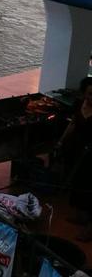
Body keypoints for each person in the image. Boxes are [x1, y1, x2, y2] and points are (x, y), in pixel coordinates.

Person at [55, 77, 92, 241]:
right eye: (89, 94)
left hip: (91, 153)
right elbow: (73, 125)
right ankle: (80, 216)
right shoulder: (79, 105)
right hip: (76, 149)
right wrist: (61, 141)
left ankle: (89, 228)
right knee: (77, 182)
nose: (91, 97)